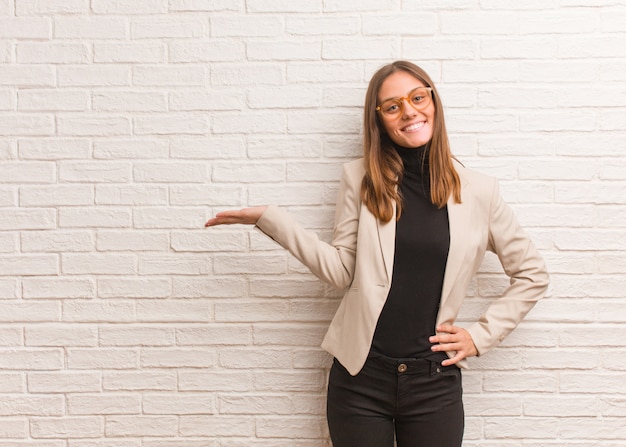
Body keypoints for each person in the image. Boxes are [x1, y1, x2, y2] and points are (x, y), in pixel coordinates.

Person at [205, 60, 549, 447]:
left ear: (433, 101)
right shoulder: (360, 180)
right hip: (360, 380)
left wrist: (480, 335)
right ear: (380, 119)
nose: (409, 111)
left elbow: (532, 273)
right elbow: (340, 271)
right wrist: (271, 219)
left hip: (434, 383)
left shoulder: (480, 192)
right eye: (392, 105)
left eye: (418, 97)